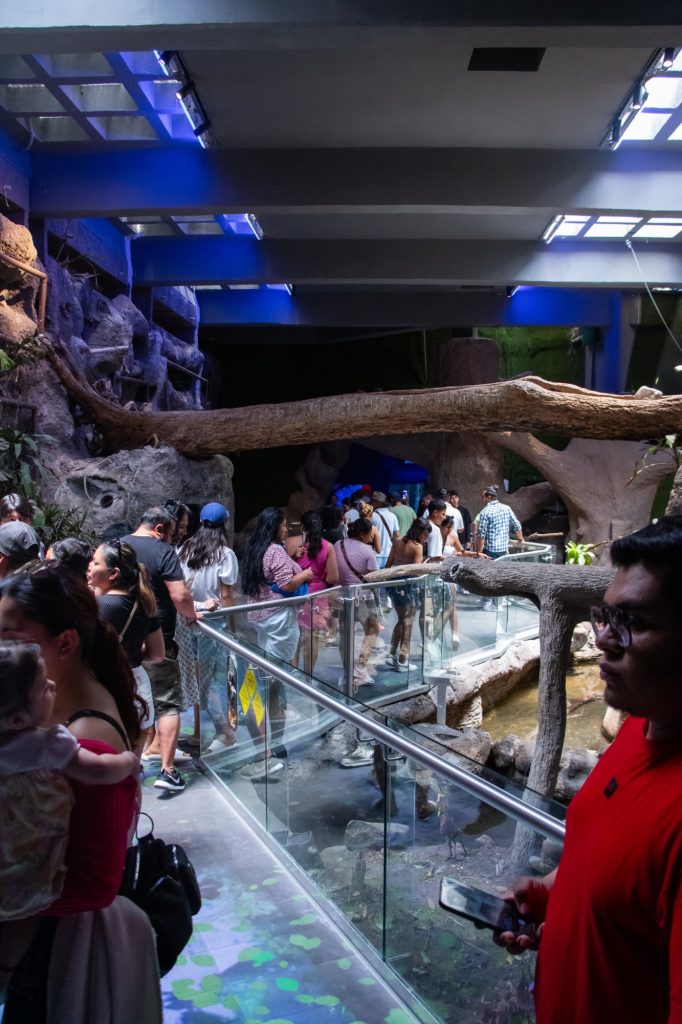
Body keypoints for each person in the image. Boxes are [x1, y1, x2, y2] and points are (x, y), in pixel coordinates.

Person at [499, 515, 682, 1024]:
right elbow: (612, 858)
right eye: (606, 616)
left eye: (636, 623)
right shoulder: (636, 730)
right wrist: (553, 894)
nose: (603, 639)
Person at [0, 565, 143, 1016]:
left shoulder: (82, 738)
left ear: (64, 643)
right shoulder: (41, 719)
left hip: (56, 947)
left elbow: (93, 879)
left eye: (10, 637)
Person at [0, 642, 138, 925]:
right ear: (17, 719)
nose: (51, 684)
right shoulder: (44, 744)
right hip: (37, 870)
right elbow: (98, 771)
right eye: (42, 688)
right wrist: (128, 761)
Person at [121, 507, 198, 792]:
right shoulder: (163, 551)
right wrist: (191, 614)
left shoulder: (116, 547)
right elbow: (179, 595)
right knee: (167, 703)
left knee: (131, 701)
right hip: (158, 637)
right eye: (171, 532)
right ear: (160, 529)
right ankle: (167, 770)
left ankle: (131, 763)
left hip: (123, 643)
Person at [242, 507, 313, 767]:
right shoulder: (274, 550)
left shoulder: (256, 548)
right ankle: (271, 745)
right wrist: (305, 574)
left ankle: (269, 743)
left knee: (268, 680)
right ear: (274, 527)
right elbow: (285, 586)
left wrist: (293, 558)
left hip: (259, 620)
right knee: (274, 684)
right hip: (278, 621)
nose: (286, 530)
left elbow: (269, 577)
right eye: (283, 526)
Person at [87, 540, 164, 750]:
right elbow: (157, 653)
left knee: (105, 764)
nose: (90, 567)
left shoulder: (95, 607)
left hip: (104, 688)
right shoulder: (145, 603)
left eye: (95, 562)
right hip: (138, 688)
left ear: (113, 573)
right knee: (132, 767)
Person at [178, 502, 239, 754]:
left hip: (188, 621)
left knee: (193, 678)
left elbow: (180, 588)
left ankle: (196, 733)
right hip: (214, 625)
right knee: (215, 680)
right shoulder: (225, 554)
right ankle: (225, 732)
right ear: (223, 525)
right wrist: (233, 627)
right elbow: (226, 596)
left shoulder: (183, 550)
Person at [334, 517, 380, 687]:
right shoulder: (367, 551)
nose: (371, 538)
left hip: (341, 596)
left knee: (345, 635)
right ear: (362, 534)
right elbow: (375, 576)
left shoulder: (338, 544)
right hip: (363, 598)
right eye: (370, 534)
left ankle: (348, 672)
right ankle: (360, 668)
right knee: (372, 630)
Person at [295, 509, 339, 675]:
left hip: (296, 594)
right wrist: (322, 573)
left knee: (295, 634)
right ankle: (308, 676)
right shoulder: (328, 547)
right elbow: (333, 578)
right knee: (311, 637)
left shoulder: (292, 543)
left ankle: (291, 671)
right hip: (317, 597)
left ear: (302, 527)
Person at [385, 519, 430, 670]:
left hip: (393, 584)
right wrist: (424, 565)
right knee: (408, 622)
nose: (426, 538)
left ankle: (392, 654)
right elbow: (415, 572)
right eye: (425, 534)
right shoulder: (417, 547)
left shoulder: (397, 541)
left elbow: (389, 563)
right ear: (420, 532)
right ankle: (403, 660)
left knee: (400, 620)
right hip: (408, 586)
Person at [477, 485, 523, 558]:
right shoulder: (506, 508)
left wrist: (479, 552)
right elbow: (517, 525)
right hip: (504, 550)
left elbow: (482, 534)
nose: (482, 499)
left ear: (489, 497)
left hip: (491, 552)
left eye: (483, 496)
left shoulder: (485, 512)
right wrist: (520, 539)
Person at [369, 490, 400, 569]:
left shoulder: (372, 516)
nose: (370, 503)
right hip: (388, 554)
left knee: (374, 580)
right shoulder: (393, 516)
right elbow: (397, 535)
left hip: (375, 554)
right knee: (385, 580)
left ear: (377, 502)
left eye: (372, 501)